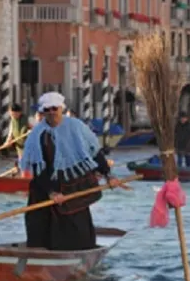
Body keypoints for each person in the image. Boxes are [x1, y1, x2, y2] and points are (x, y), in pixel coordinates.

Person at [20, 91, 121, 251]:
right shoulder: (37, 135)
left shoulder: (76, 126)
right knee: (37, 220)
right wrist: (51, 192)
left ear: (61, 108)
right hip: (46, 183)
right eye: (48, 110)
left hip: (72, 182)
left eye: (55, 108)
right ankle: (39, 254)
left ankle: (78, 252)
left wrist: (108, 175)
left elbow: (94, 152)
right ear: (43, 112)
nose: (52, 113)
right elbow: (38, 168)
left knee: (75, 222)